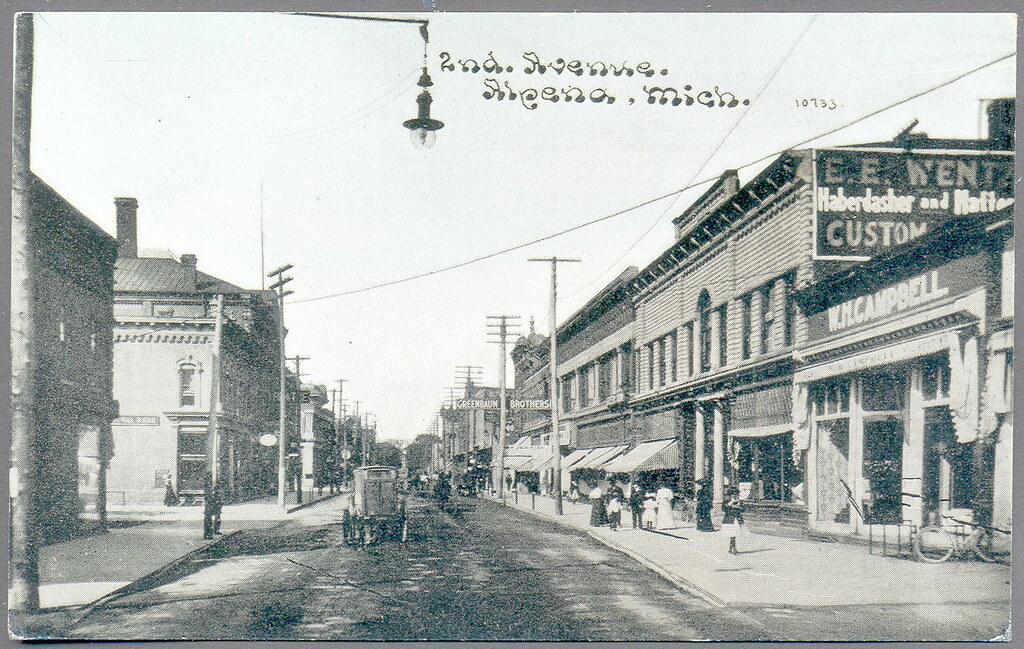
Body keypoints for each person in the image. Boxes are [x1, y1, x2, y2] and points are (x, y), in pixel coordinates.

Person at [723, 486, 745, 554]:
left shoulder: (739, 501)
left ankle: (731, 548)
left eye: (736, 494)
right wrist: (731, 503)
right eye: (733, 494)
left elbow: (743, 509)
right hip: (729, 519)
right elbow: (724, 508)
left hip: (737, 519)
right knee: (732, 534)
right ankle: (733, 549)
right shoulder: (727, 501)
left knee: (734, 535)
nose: (735, 495)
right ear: (730, 495)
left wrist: (738, 506)